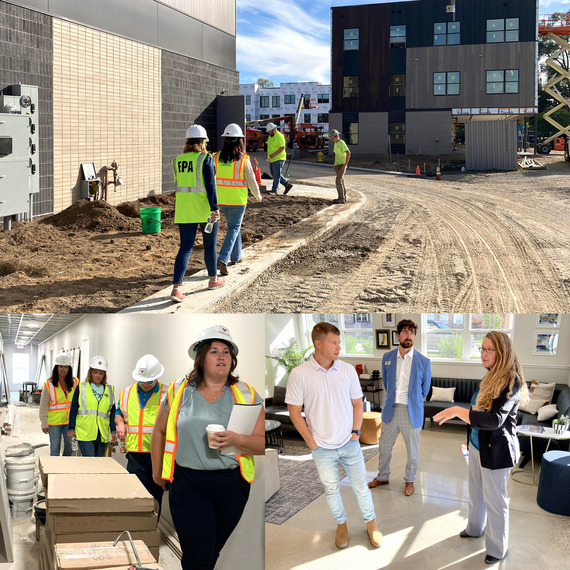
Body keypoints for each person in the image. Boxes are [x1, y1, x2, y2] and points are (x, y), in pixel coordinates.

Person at [151, 325, 265, 570]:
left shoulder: (247, 394)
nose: (222, 356)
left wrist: (237, 439)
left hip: (232, 487)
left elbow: (261, 442)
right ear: (200, 358)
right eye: (214, 351)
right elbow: (159, 431)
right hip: (188, 484)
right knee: (198, 556)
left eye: (226, 351)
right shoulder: (178, 392)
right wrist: (156, 471)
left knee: (209, 552)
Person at [433, 332, 529, 565]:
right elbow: (476, 414)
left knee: (495, 501)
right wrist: (470, 440)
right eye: (482, 349)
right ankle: (475, 528)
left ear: (502, 352)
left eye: (489, 350)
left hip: (497, 451)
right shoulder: (489, 377)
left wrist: (456, 410)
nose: (483, 354)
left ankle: (498, 547)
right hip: (478, 446)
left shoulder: (510, 380)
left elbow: (493, 420)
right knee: (475, 493)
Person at [286, 322, 383, 550]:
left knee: (361, 486)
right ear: (318, 344)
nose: (339, 347)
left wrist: (356, 432)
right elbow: (294, 411)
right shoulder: (300, 374)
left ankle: (372, 524)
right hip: (321, 448)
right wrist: (311, 442)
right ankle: (341, 524)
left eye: (339, 342)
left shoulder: (347, 370)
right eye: (334, 342)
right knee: (331, 489)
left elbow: (357, 404)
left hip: (349, 443)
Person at [368, 319, 431, 496]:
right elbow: (388, 385)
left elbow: (424, 389)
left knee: (412, 450)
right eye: (405, 332)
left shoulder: (424, 362)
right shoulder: (388, 358)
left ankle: (409, 480)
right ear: (398, 335)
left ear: (415, 336)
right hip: (390, 410)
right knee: (384, 446)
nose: (408, 335)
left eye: (412, 332)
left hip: (411, 412)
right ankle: (383, 476)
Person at [169, 124, 225, 303]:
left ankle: (176, 288)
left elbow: (182, 184)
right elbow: (210, 186)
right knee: (210, 246)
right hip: (205, 210)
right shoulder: (205, 159)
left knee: (185, 248)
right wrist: (215, 208)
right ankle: (213, 280)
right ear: (203, 142)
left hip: (184, 211)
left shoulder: (176, 160)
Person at [115, 354, 166, 516]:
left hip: (158, 455)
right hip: (135, 453)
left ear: (157, 376)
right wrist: (120, 422)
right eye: (142, 380)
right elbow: (118, 413)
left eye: (149, 381)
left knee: (155, 495)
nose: (145, 384)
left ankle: (151, 530)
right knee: (135, 493)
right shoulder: (126, 393)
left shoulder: (168, 394)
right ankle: (136, 530)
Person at [213, 123, 262, 276]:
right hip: (237, 200)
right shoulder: (243, 159)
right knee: (234, 228)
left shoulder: (215, 157)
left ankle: (236, 257)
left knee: (234, 227)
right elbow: (251, 181)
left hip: (221, 199)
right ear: (240, 141)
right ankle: (223, 258)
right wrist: (258, 196)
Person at [67, 355, 116, 457]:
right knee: (89, 460)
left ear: (104, 375)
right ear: (91, 373)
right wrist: (71, 428)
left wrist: (113, 430)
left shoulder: (109, 390)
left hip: (102, 433)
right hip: (85, 432)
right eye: (95, 372)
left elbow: (112, 413)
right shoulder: (81, 387)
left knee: (98, 463)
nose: (98, 375)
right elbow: (74, 409)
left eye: (101, 373)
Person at [39, 352, 78, 456]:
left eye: (66, 367)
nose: (63, 369)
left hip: (70, 422)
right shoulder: (49, 384)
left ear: (69, 368)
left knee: (70, 448)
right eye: (61, 366)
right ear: (56, 367)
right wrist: (44, 423)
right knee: (55, 449)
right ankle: (54, 470)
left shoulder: (75, 383)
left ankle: (64, 468)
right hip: (54, 423)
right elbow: (43, 406)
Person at [265, 122, 293, 195]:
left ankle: (274, 190)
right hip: (272, 159)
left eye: (269, 131)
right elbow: (269, 146)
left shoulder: (279, 136)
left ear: (274, 129)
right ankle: (287, 185)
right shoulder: (270, 136)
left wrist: (273, 155)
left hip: (279, 158)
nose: (269, 133)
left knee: (276, 175)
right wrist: (267, 155)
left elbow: (282, 147)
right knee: (274, 174)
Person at [329, 129, 351, 204]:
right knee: (341, 181)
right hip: (337, 165)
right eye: (331, 138)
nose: (332, 139)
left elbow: (348, 153)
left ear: (337, 136)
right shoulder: (335, 144)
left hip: (342, 165)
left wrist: (344, 165)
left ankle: (341, 198)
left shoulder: (341, 143)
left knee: (338, 181)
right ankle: (343, 197)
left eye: (333, 138)